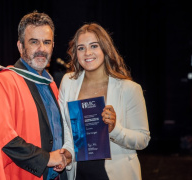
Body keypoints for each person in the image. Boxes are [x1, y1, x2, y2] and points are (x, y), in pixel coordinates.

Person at [0, 11, 73, 180]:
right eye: (34, 42)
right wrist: (47, 159)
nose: (41, 49)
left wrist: (66, 152)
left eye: (46, 42)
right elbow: (2, 137)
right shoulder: (2, 82)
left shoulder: (52, 84)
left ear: (53, 46)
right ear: (20, 46)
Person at [58, 23, 151, 180]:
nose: (87, 52)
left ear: (105, 48)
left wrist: (115, 129)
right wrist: (67, 152)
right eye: (81, 48)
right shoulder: (68, 82)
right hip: (77, 172)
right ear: (76, 53)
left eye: (94, 46)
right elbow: (66, 128)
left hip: (115, 173)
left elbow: (143, 139)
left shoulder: (129, 89)